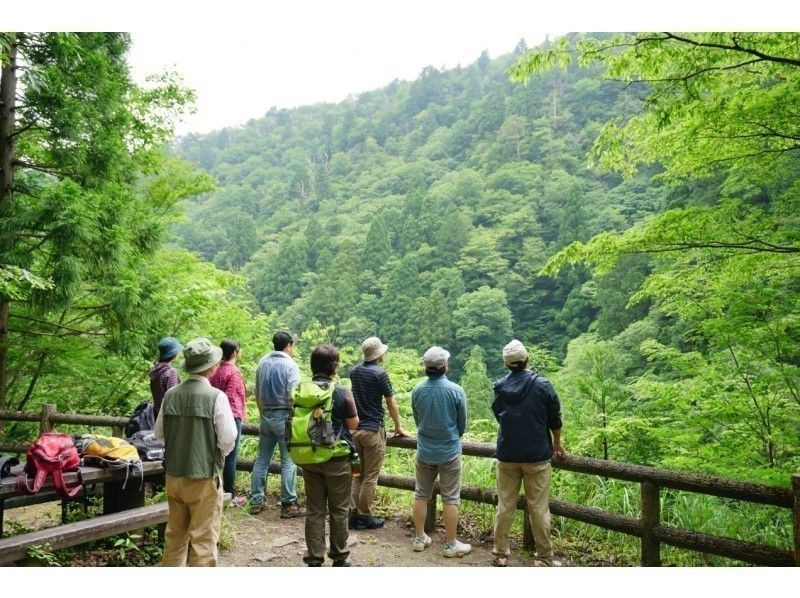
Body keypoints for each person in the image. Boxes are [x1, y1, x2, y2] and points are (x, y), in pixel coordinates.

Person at [155, 337, 237, 567]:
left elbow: (158, 433)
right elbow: (228, 439)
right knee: (203, 541)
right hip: (203, 477)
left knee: (174, 537)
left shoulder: (171, 394)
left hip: (173, 475)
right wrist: (215, 454)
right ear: (210, 367)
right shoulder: (216, 397)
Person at [490, 339, 565, 567]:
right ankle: (543, 558)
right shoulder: (543, 385)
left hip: (507, 455)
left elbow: (500, 416)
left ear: (507, 364)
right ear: (527, 360)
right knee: (539, 508)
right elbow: (555, 418)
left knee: (505, 505)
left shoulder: (500, 387)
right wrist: (558, 442)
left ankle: (500, 554)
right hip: (537, 456)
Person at [300, 344, 360, 567]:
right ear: (334, 367)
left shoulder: (301, 390)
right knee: (339, 509)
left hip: (309, 456)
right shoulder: (342, 391)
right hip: (336, 458)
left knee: (314, 509)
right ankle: (340, 556)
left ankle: (314, 558)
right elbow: (353, 424)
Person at [410, 346, 471, 558]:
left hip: (425, 450)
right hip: (449, 451)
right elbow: (461, 425)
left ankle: (419, 538)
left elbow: (418, 420)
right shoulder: (456, 391)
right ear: (444, 367)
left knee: (421, 494)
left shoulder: (417, 390)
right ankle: (450, 544)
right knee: (451, 498)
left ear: (426, 368)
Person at [349, 336, 406, 530]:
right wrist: (398, 426)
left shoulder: (354, 372)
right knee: (370, 476)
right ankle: (364, 517)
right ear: (379, 354)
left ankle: (353, 514)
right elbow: (391, 402)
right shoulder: (380, 374)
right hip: (373, 432)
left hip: (355, 431)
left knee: (357, 475)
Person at [249, 330, 304, 518]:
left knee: (262, 459)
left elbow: (256, 392)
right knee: (288, 461)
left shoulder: (262, 363)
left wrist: (262, 412)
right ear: (288, 346)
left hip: (266, 416)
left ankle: (256, 500)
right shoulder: (291, 365)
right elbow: (293, 396)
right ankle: (288, 504)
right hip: (284, 417)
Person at [209, 338, 247, 507]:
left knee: (216, 454)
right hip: (232, 416)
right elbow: (234, 397)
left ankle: (216, 490)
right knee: (231, 457)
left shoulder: (215, 370)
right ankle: (230, 495)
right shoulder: (233, 372)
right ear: (234, 353)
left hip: (214, 415)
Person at [150, 336, 182, 417]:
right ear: (174, 354)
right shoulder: (171, 372)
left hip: (157, 414)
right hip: (169, 417)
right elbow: (173, 399)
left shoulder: (156, 370)